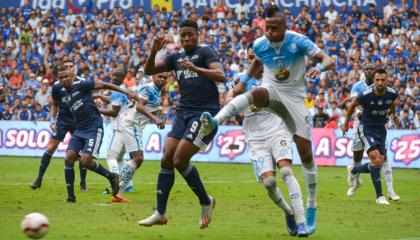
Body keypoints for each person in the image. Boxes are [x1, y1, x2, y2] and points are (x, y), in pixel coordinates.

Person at [199, 5, 334, 235]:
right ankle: (215, 121)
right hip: (271, 94)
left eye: (273, 28)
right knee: (258, 93)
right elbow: (258, 61)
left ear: (284, 27)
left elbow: (327, 59)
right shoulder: (260, 45)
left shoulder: (298, 41)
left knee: (306, 154)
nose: (269, 32)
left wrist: (319, 67)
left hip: (294, 100)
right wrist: (243, 81)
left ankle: (310, 206)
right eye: (266, 28)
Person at [138, 19, 225, 228]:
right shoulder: (174, 58)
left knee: (179, 159)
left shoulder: (205, 52)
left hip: (205, 115)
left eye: (190, 34)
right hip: (183, 113)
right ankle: (160, 212)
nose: (186, 38)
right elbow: (148, 71)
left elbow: (220, 75)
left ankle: (206, 202)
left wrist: (196, 67)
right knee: (167, 157)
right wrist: (154, 50)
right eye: (183, 34)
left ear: (197, 34)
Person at [228, 66, 306, 236]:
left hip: (278, 130)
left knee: (286, 170)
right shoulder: (241, 79)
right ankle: (288, 211)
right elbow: (228, 98)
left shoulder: (276, 76)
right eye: (251, 59)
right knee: (269, 183)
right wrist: (235, 98)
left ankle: (302, 221)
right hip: (255, 138)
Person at [57, 61, 136, 203]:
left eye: (66, 77)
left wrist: (127, 92)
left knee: (85, 161)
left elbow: (105, 85)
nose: (64, 80)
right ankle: (70, 197)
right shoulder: (66, 95)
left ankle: (111, 176)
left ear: (71, 76)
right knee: (69, 158)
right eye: (61, 78)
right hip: (79, 129)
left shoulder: (81, 85)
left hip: (94, 127)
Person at [341, 68, 399, 205]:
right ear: (374, 81)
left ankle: (353, 169)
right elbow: (351, 106)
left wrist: (393, 115)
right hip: (366, 128)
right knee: (377, 160)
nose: (380, 83)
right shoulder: (365, 95)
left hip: (381, 129)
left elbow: (391, 104)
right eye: (377, 80)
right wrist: (345, 124)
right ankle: (380, 196)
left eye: (383, 80)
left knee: (379, 162)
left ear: (387, 81)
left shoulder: (392, 93)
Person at [30, 60, 87, 191]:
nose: (68, 69)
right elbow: (55, 104)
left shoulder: (82, 83)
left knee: (83, 153)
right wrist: (51, 120)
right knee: (50, 148)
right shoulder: (57, 86)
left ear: (75, 68)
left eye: (71, 66)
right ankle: (39, 179)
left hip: (78, 122)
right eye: (66, 67)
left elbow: (88, 98)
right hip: (62, 121)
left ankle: (83, 182)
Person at [113, 72, 167, 202]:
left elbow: (144, 104)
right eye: (159, 76)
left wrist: (159, 114)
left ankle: (118, 191)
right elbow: (139, 106)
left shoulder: (156, 91)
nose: (162, 79)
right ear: (153, 77)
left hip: (135, 125)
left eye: (165, 77)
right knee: (138, 158)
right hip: (132, 124)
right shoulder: (149, 88)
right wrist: (155, 119)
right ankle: (115, 184)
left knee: (135, 158)